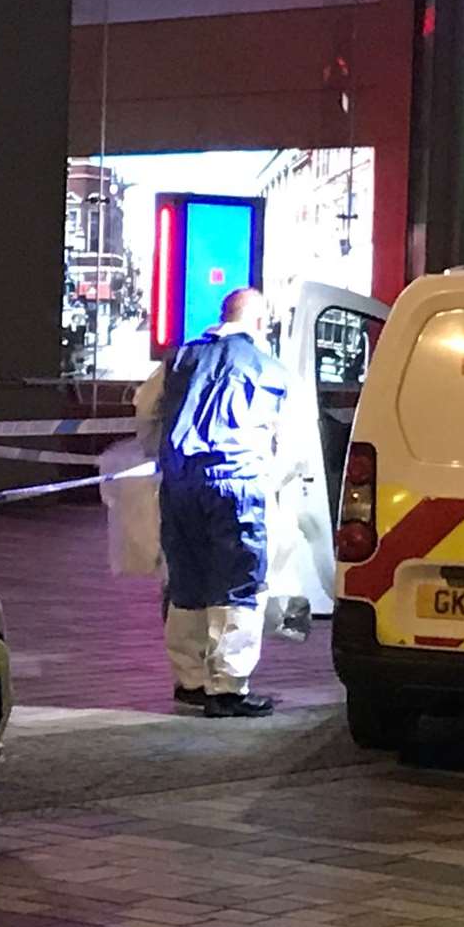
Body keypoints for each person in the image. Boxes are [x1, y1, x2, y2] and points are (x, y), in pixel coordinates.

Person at [154, 288, 290, 718]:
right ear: (260, 322)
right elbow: (287, 441)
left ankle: (190, 680)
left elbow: (146, 412)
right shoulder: (268, 367)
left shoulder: (180, 359)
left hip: (179, 484)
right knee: (239, 585)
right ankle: (228, 688)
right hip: (237, 483)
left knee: (187, 580)